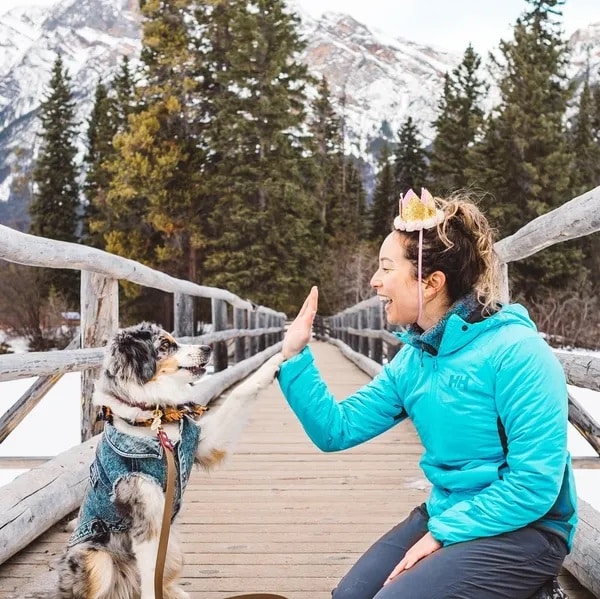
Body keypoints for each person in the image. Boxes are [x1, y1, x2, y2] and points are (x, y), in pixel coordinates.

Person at [276, 189, 577, 599]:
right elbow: (337, 429)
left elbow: (534, 486)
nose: (374, 281)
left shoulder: (517, 354)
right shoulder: (413, 361)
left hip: (528, 529)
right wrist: (295, 356)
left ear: (432, 282)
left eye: (385, 268)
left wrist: (441, 536)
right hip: (447, 513)